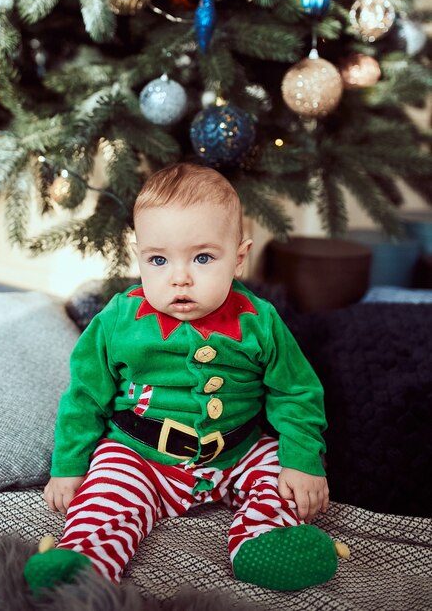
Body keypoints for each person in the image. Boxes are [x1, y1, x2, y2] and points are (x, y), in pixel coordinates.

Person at [24, 162, 341, 595]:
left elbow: (296, 392)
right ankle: (86, 558)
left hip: (236, 452)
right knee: (108, 490)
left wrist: (302, 461)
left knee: (279, 474)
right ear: (140, 258)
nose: (180, 277)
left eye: (203, 257)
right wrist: (68, 467)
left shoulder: (260, 322)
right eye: (159, 259)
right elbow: (84, 397)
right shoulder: (120, 320)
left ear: (239, 259)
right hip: (142, 454)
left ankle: (262, 542)